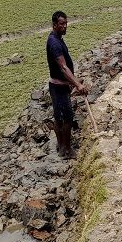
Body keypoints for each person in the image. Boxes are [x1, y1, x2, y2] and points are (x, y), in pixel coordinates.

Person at [46, 11, 87, 159]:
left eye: (66, 23)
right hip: (58, 87)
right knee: (67, 118)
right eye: (62, 24)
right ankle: (67, 150)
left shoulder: (58, 39)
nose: (65, 26)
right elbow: (63, 67)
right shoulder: (54, 43)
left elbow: (64, 68)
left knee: (59, 117)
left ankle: (62, 147)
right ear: (54, 25)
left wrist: (75, 81)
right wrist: (77, 84)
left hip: (61, 85)